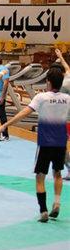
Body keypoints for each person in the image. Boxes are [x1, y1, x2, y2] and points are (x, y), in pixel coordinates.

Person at [0, 68, 69, 222]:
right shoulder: (67, 98)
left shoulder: (41, 97)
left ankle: (43, 210)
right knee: (58, 173)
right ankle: (57, 203)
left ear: (48, 82)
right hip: (61, 142)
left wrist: (6, 125)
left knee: (40, 177)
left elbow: (23, 113)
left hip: (45, 143)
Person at [53, 48, 70, 181]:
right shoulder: (68, 77)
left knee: (60, 147)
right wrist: (61, 57)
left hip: (65, 120)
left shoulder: (61, 85)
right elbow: (67, 68)